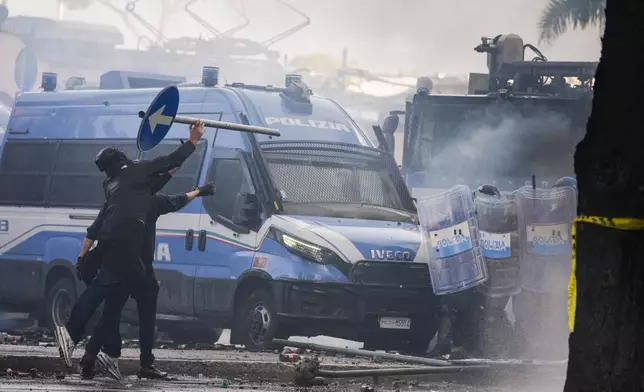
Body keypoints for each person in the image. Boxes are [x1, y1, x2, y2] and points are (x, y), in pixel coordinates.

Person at [54, 121, 205, 369]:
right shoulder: (138, 172)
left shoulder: (112, 186)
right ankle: (80, 338)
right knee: (134, 292)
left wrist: (82, 258)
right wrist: (192, 140)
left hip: (109, 241)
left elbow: (98, 225)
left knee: (110, 291)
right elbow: (169, 163)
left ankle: (104, 351)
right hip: (129, 242)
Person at [81, 176, 216, 380]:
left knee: (111, 312)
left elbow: (93, 232)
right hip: (140, 267)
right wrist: (199, 191)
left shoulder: (115, 201)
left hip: (116, 265)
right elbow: (178, 200)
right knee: (146, 314)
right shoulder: (151, 200)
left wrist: (82, 259)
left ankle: (88, 359)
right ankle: (146, 364)